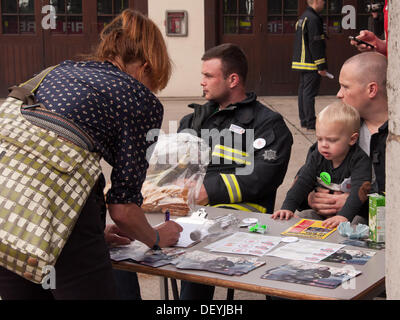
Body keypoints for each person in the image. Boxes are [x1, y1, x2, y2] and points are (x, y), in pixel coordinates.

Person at [0, 9, 182, 300]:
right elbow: (123, 209)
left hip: (7, 212)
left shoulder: (56, 71)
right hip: (53, 210)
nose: (152, 93)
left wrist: (95, 231)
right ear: (145, 67)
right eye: (154, 83)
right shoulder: (137, 97)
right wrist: (157, 237)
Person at [178, 43, 293, 299]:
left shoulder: (267, 125)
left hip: (243, 221)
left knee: (197, 257)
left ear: (233, 80)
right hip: (190, 215)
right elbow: (175, 169)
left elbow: (262, 177)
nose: (202, 82)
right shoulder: (193, 120)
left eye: (208, 76)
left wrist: (208, 189)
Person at [307, 52, 388, 219]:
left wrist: (356, 203)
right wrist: (310, 197)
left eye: (345, 87)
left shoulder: (393, 136)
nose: (339, 94)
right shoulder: (343, 124)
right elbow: (309, 169)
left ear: (371, 89)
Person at [272, 101, 372, 228]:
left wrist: (343, 216)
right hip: (321, 213)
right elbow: (301, 183)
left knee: (358, 223)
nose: (324, 144)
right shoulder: (317, 156)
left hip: (349, 214)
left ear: (352, 139)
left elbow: (360, 191)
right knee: (305, 215)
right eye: (319, 138)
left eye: (332, 140)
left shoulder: (359, 160)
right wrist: (287, 208)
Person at [292, 0, 328, 130]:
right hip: (311, 62)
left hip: (302, 61)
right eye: (323, 1)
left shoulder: (304, 16)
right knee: (309, 93)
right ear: (317, 1)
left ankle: (305, 120)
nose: (324, 4)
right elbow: (316, 43)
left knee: (303, 92)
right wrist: (321, 65)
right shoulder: (313, 19)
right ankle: (311, 122)